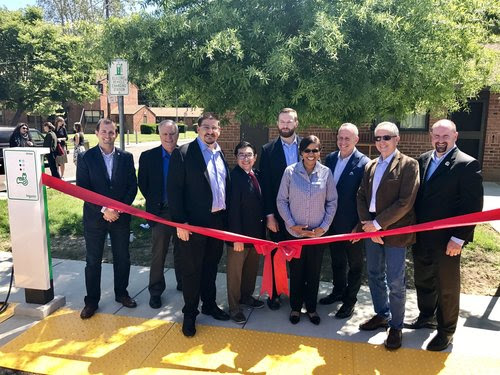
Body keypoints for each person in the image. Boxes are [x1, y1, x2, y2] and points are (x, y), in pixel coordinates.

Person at [407, 119, 483, 351]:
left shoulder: (467, 164)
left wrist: (459, 238)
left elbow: (473, 206)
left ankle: (446, 330)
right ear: (431, 136)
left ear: (455, 136)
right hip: (421, 236)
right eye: (436, 136)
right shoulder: (423, 159)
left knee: (447, 287)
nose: (440, 141)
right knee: (423, 280)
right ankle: (427, 316)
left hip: (448, 240)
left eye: (445, 137)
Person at [356, 121, 419, 350]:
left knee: (395, 281)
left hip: (394, 233)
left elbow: (405, 202)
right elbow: (361, 195)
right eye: (378, 138)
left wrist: (377, 225)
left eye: (386, 137)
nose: (381, 142)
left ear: (397, 138)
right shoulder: (370, 165)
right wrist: (367, 224)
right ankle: (381, 314)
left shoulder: (409, 165)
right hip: (371, 231)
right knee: (373, 274)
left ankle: (396, 325)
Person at [168, 112, 231, 337]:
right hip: (192, 224)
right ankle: (190, 313)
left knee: (211, 266)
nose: (210, 131)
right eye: (206, 127)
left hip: (216, 222)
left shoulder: (219, 152)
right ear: (198, 128)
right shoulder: (183, 153)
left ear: (219, 131)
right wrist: (180, 223)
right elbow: (174, 192)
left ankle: (210, 305)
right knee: (192, 270)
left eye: (214, 128)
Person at [77, 118, 138, 320]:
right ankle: (91, 301)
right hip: (95, 218)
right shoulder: (86, 157)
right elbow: (83, 190)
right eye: (104, 131)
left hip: (120, 218)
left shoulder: (126, 157)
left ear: (116, 134)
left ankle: (122, 293)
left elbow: (132, 186)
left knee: (123, 258)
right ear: (96, 133)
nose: (108, 135)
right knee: (93, 261)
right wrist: (104, 209)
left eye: (111, 132)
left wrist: (118, 210)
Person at [277, 135, 337, 326]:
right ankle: (295, 307)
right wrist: (290, 224)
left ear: (320, 152)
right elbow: (281, 200)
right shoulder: (290, 172)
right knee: (296, 272)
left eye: (315, 150)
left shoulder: (326, 173)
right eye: (307, 150)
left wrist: (324, 227)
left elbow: (332, 202)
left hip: (317, 236)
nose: (311, 154)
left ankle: (311, 308)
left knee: (313, 272)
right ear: (301, 153)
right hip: (295, 234)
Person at [320, 123, 369, 319]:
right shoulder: (330, 158)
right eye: (340, 138)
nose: (342, 142)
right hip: (332, 223)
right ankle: (338, 291)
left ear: (356, 140)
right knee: (337, 261)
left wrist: (359, 226)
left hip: (352, 227)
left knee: (355, 265)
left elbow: (366, 197)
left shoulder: (365, 163)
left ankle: (350, 301)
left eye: (347, 138)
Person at [259, 108, 302, 310]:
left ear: (296, 123)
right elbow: (265, 185)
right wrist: (269, 215)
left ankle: (297, 293)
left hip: (302, 214)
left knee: (298, 256)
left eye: (289, 121)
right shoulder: (267, 150)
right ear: (277, 124)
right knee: (277, 254)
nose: (285, 125)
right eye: (282, 121)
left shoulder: (307, 147)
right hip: (277, 214)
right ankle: (275, 293)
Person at [138, 120, 182, 309]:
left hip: (182, 213)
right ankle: (155, 291)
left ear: (178, 135)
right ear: (159, 135)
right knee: (159, 252)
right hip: (160, 212)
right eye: (165, 134)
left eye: (172, 134)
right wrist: (156, 203)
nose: (169, 138)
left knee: (183, 251)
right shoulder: (148, 157)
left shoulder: (186, 155)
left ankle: (183, 282)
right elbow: (143, 184)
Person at [226, 141, 266, 324]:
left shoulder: (256, 175)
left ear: (255, 157)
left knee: (250, 271)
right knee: (235, 274)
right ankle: (234, 308)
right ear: (236, 158)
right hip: (239, 237)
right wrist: (236, 238)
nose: (245, 158)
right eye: (241, 155)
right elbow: (233, 210)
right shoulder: (234, 178)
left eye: (249, 154)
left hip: (255, 235)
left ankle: (246, 297)